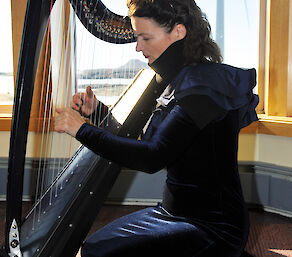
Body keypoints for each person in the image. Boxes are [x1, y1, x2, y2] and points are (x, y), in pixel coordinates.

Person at [54, 0, 259, 256]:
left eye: (145, 37)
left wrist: (82, 130)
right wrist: (97, 111)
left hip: (213, 227)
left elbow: (153, 155)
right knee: (95, 247)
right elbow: (150, 137)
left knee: (97, 252)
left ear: (178, 32)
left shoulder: (203, 87)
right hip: (172, 212)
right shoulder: (176, 77)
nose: (138, 47)